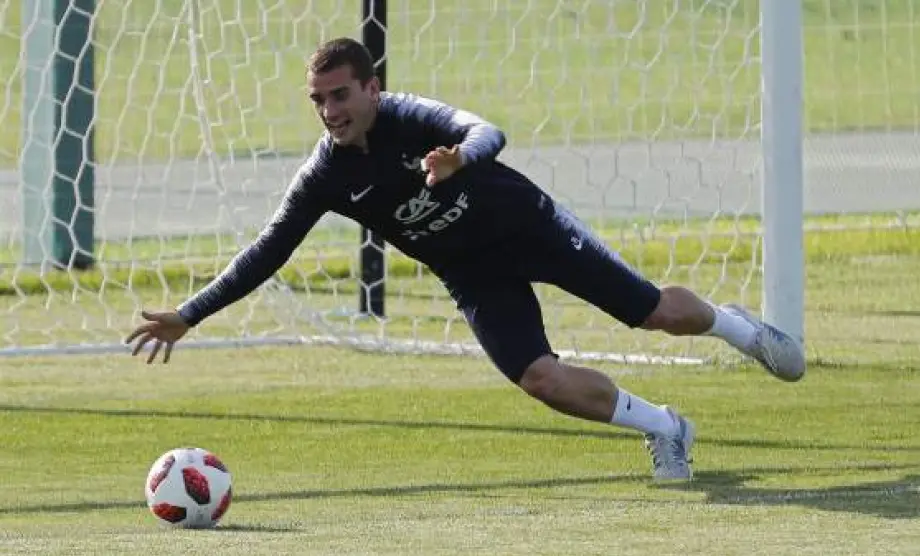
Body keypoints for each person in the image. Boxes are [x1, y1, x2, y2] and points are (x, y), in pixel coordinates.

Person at [125, 37, 805, 482]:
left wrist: (460, 159)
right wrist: (190, 313)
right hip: (472, 273)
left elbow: (487, 130)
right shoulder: (323, 177)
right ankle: (666, 427)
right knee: (541, 380)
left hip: (530, 227)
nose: (329, 111)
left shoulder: (412, 116)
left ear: (371, 88)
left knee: (655, 313)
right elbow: (267, 250)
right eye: (318, 100)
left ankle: (739, 328)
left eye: (340, 95)